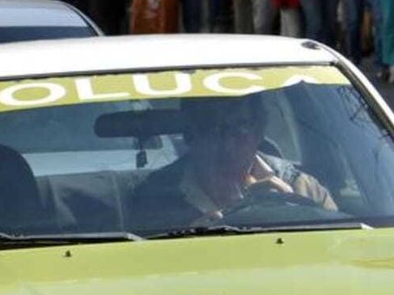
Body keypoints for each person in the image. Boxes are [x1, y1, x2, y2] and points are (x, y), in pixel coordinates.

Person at [130, 94, 336, 230]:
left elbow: (338, 250)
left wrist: (292, 210)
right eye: (213, 129)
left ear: (259, 129)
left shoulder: (303, 188)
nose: (227, 142)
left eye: (240, 127)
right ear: (190, 135)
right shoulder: (155, 197)